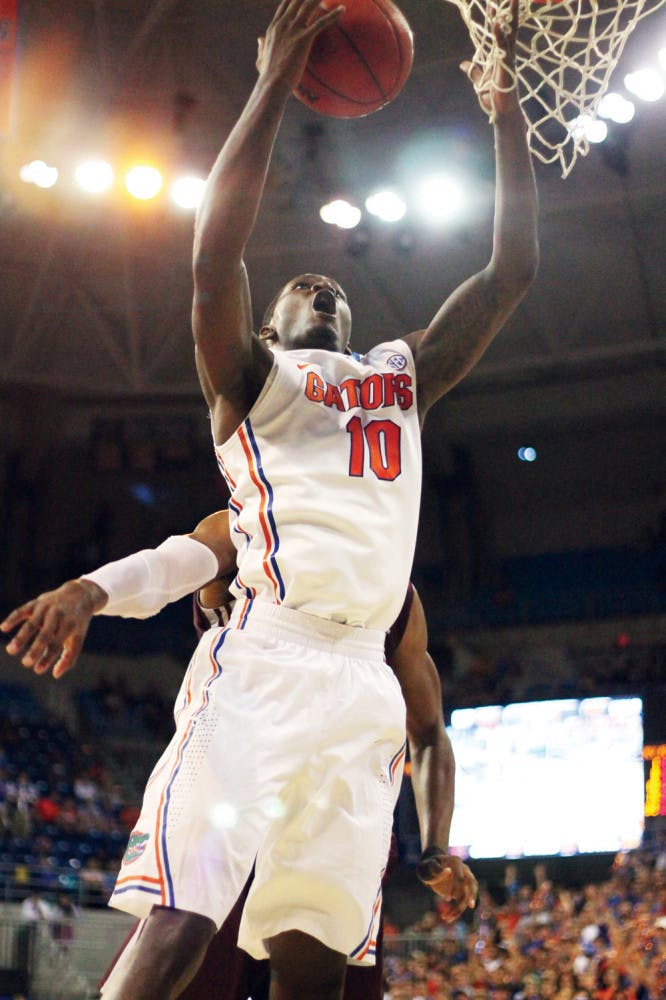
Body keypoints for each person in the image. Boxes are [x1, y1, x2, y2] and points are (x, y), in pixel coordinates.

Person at [3, 0, 537, 993]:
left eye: (333, 286)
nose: (320, 288)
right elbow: (212, 264)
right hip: (266, 663)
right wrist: (271, 84)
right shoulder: (253, 385)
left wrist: (504, 108)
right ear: (273, 325)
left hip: (361, 692)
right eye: (297, 287)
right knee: (176, 927)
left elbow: (511, 273)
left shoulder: (398, 375)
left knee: (315, 966)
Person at [3, 509, 477, 1000]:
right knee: (175, 941)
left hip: (329, 800)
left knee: (319, 980)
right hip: (235, 791)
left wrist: (437, 847)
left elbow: (429, 733)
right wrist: (91, 590)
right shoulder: (253, 521)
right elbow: (170, 563)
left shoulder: (393, 594)